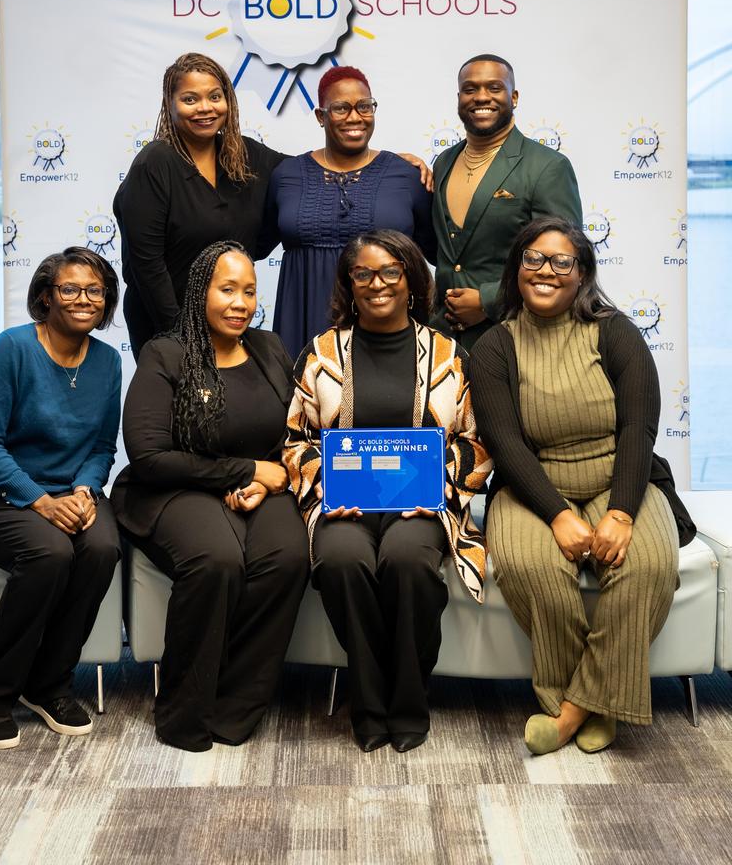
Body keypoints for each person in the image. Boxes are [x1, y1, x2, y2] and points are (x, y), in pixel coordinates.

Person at [468, 216, 696, 755]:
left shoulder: (615, 331)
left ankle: (572, 712)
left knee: (645, 565)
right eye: (533, 259)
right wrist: (557, 515)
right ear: (516, 268)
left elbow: (638, 426)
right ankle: (595, 702)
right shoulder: (494, 347)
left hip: (621, 476)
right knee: (532, 567)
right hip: (532, 485)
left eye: (561, 261)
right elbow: (505, 444)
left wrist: (620, 513)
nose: (545, 270)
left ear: (582, 272)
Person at [284, 230, 491, 754]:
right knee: (341, 562)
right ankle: (368, 700)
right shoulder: (322, 353)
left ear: (411, 280)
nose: (377, 284)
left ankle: (409, 698)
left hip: (420, 505)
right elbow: (295, 439)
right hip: (343, 502)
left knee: (408, 564)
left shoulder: (447, 355)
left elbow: (474, 442)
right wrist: (327, 484)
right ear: (349, 284)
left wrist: (436, 488)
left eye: (390, 272)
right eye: (363, 274)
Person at [112, 241, 309, 752]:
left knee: (288, 557)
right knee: (217, 559)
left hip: (256, 488)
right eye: (228, 290)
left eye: (249, 291)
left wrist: (263, 481)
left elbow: (287, 437)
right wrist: (242, 471)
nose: (241, 302)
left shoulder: (269, 349)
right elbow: (149, 455)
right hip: (171, 489)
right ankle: (184, 712)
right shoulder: (166, 353)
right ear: (201, 292)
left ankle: (237, 704)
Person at [0, 248, 122, 750]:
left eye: (95, 290)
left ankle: (50, 685)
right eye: (70, 289)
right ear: (46, 296)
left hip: (70, 491)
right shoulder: (11, 348)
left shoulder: (107, 361)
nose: (84, 299)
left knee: (102, 547)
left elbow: (103, 446)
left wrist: (84, 490)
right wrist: (39, 501)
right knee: (49, 551)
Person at [113, 53, 289, 359]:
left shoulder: (244, 154)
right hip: (166, 324)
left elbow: (306, 172)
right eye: (190, 99)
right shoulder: (155, 162)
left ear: (228, 101)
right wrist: (182, 338)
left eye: (215, 96)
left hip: (227, 323)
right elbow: (147, 265)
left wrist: (389, 163)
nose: (205, 108)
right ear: (170, 104)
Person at [260, 66, 436, 360]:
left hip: (386, 333)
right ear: (321, 116)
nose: (355, 117)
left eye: (364, 106)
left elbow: (438, 252)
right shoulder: (287, 175)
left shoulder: (405, 175)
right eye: (341, 108)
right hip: (303, 327)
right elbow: (256, 243)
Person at [432, 53, 582, 351]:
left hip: (516, 337)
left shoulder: (547, 166)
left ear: (513, 96)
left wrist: (488, 300)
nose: (481, 97)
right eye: (470, 89)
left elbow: (563, 263)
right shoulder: (444, 162)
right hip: (445, 340)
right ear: (459, 97)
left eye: (494, 87)